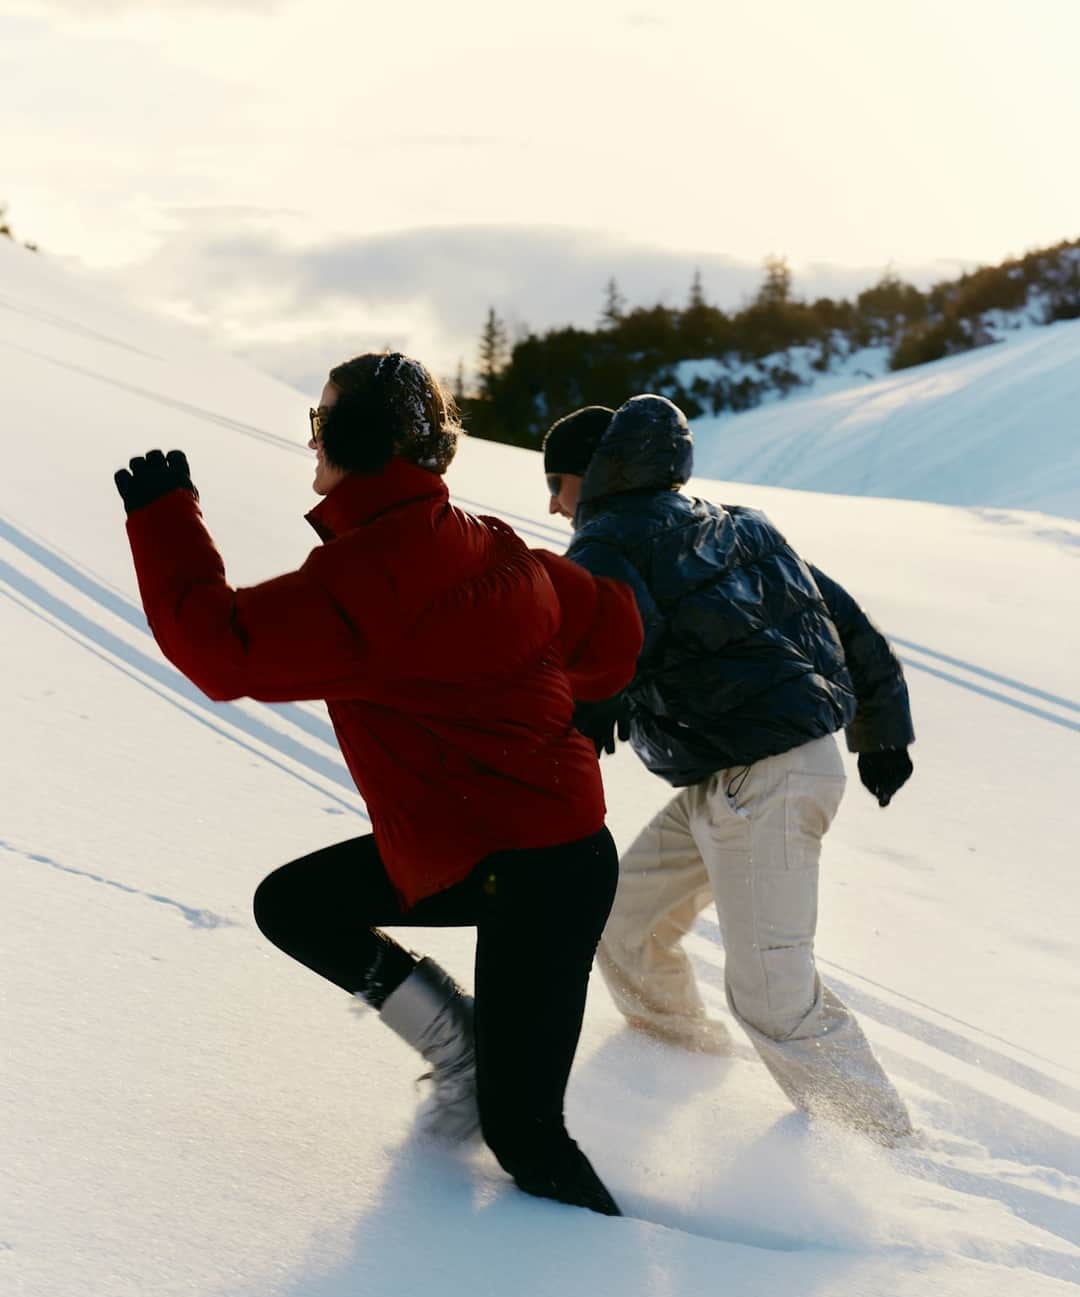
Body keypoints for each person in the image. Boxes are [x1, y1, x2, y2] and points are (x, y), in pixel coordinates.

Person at [114, 351, 643, 1215]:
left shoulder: (372, 582)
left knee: (526, 1139)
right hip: (492, 849)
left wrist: (165, 520)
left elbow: (223, 649)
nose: (313, 446)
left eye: (321, 427)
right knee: (296, 903)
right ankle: (462, 1043)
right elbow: (609, 624)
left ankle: (613, 1287)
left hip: (539, 873)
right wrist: (593, 696)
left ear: (356, 443)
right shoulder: (485, 541)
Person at [542, 395, 915, 1144]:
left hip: (761, 780)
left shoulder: (608, 538)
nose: (552, 503)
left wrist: (597, 694)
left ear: (595, 473)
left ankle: (884, 1154)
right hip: (740, 777)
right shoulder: (736, 522)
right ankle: (681, 1071)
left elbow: (609, 631)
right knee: (627, 925)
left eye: (557, 481)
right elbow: (843, 616)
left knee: (775, 995)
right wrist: (882, 732)